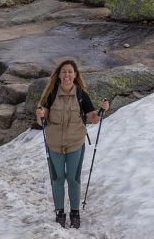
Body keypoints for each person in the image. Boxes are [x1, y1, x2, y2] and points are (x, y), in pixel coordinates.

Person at [36, 59, 110, 229]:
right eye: (64, 72)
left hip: (75, 142)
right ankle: (60, 212)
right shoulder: (51, 94)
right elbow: (43, 116)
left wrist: (102, 110)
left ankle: (75, 213)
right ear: (59, 75)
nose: (67, 75)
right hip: (54, 144)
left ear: (75, 75)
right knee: (58, 179)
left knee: (73, 179)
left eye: (70, 72)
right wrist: (40, 113)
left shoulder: (81, 95)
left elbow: (92, 118)